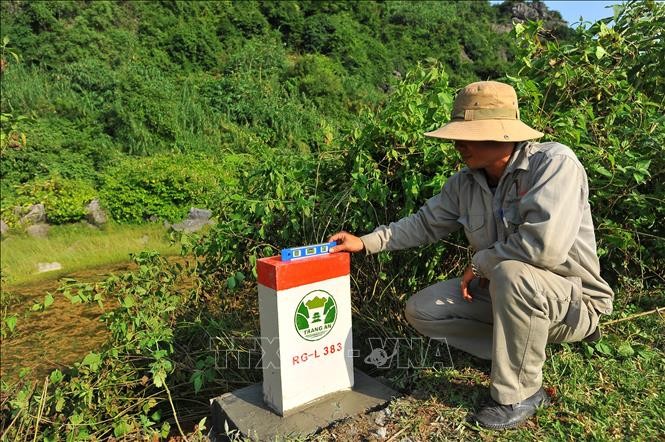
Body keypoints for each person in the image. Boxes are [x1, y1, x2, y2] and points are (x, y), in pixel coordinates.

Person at [328, 81, 614, 430]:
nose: (459, 144)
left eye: (471, 134)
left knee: (510, 273)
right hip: (509, 295)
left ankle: (520, 392)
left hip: (572, 302)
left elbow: (544, 248)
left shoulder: (553, 165)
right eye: (458, 135)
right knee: (423, 310)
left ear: (504, 134)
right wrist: (366, 242)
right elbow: (423, 223)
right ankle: (513, 352)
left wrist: (481, 263)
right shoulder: (465, 183)